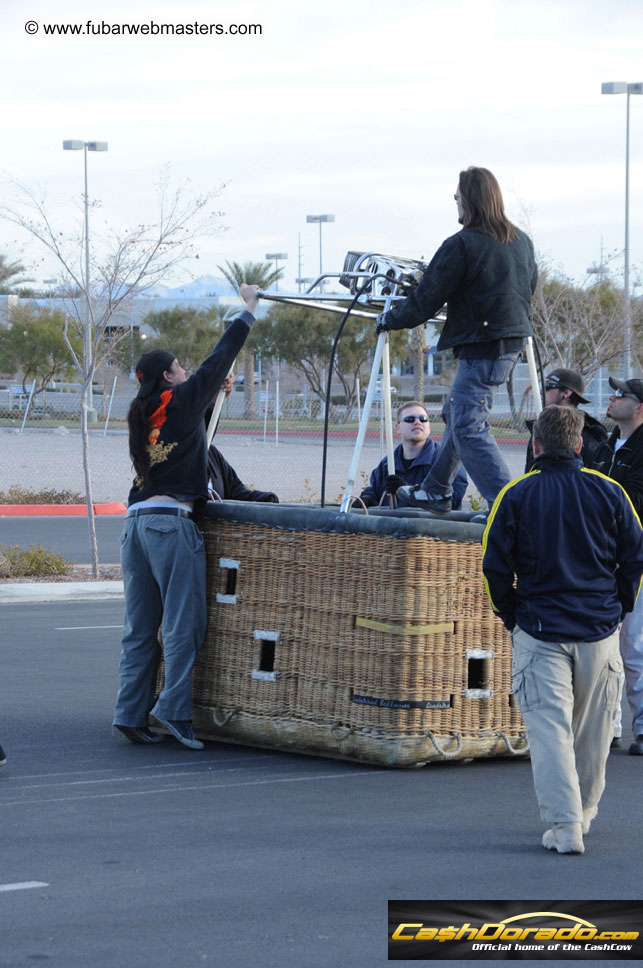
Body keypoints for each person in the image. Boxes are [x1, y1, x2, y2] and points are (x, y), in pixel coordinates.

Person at [482, 405, 643, 854]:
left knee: (549, 730)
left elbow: (494, 567)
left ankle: (566, 822)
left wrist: (512, 616)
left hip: (540, 627)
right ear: (578, 445)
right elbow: (635, 557)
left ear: (535, 445)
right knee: (593, 731)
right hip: (598, 628)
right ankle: (584, 814)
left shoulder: (515, 495)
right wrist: (620, 607)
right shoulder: (609, 491)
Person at [113, 283, 260, 750]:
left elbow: (189, 430)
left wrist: (212, 397)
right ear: (170, 377)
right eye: (180, 367)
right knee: (182, 624)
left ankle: (130, 713)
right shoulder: (179, 400)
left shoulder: (147, 412)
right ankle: (175, 713)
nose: (186, 370)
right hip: (171, 527)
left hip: (135, 525)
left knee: (139, 629)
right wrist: (248, 310)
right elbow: (220, 357)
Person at [375, 166, 537, 513]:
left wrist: (388, 319)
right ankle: (436, 488)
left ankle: (510, 508)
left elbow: (424, 300)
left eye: (457, 196)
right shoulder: (521, 241)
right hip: (509, 345)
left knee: (468, 424)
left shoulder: (462, 244)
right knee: (456, 412)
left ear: (470, 199)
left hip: (482, 347)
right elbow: (527, 291)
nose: (455, 203)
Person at [590, 377, 643, 756]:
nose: (612, 398)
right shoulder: (608, 444)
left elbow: (635, 501)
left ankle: (642, 728)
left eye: (621, 394)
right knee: (604, 647)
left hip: (635, 560)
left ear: (639, 406)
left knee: (634, 648)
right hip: (603, 558)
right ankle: (610, 728)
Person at [357, 400, 467, 509]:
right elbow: (375, 490)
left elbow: (452, 500)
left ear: (429, 427)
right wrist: (367, 498)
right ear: (398, 428)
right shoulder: (388, 464)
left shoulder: (446, 460)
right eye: (410, 419)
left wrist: (408, 490)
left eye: (423, 419)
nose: (417, 422)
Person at [206, 374, 279, 503]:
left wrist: (264, 499)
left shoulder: (212, 455)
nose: (183, 370)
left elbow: (236, 491)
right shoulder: (177, 458)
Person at [524, 367, 607, 471]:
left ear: (566, 393)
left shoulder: (589, 436)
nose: (541, 391)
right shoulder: (540, 427)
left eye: (548, 386)